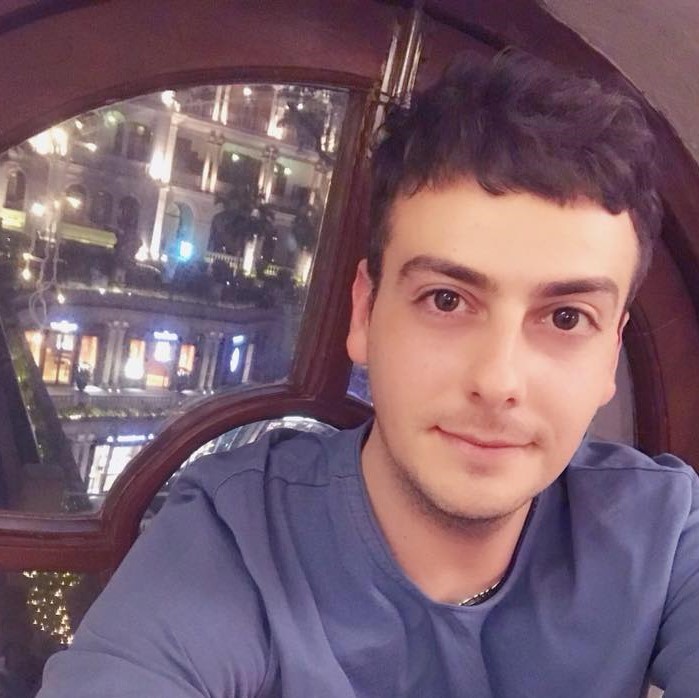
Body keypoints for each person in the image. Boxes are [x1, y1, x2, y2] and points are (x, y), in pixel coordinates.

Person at [38, 50, 698, 697]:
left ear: (609, 353)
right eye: (446, 300)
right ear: (363, 312)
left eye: (565, 318)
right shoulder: (234, 542)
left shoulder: (662, 532)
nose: (498, 381)